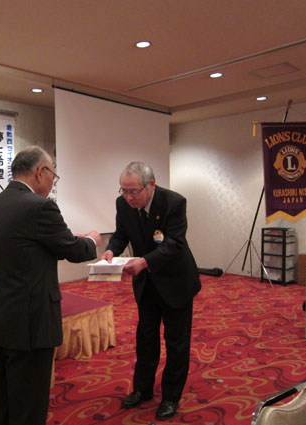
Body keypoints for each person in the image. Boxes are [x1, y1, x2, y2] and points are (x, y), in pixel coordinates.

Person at [0, 146, 100, 425]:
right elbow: (74, 251)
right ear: (40, 172)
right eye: (53, 176)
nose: (51, 183)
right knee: (29, 408)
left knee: (4, 402)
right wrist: (91, 240)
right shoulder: (39, 206)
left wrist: (63, 240)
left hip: (0, 320)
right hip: (30, 325)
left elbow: (25, 250)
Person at [101, 161, 201, 421]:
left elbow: (174, 244)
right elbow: (121, 234)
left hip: (176, 282)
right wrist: (111, 250)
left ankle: (171, 397)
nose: (128, 197)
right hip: (147, 284)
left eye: (133, 191)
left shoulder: (174, 202)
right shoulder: (123, 204)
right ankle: (142, 389)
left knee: (176, 342)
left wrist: (144, 262)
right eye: (123, 190)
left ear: (151, 185)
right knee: (145, 339)